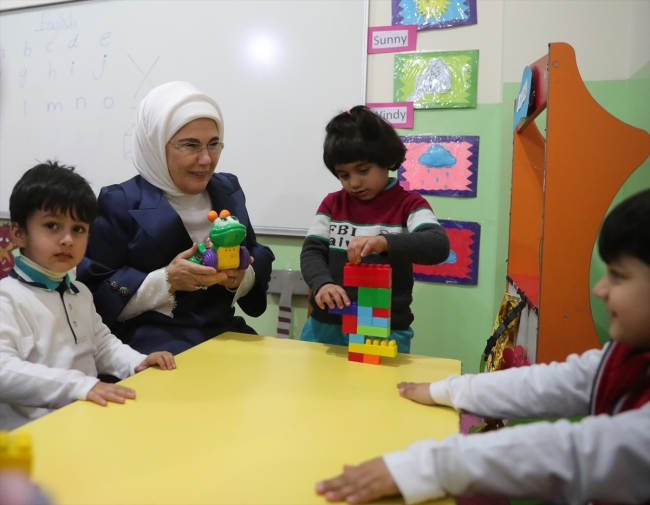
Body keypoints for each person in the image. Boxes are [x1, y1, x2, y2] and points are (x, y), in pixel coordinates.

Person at [315, 188, 650, 504]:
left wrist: (423, 467)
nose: (599, 290)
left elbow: (578, 451)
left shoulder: (408, 204)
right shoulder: (628, 353)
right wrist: (447, 389)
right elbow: (556, 382)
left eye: (618, 275)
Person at [76, 81, 274, 355]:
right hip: (150, 341)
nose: (206, 159)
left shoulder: (227, 189)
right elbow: (95, 296)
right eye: (190, 145)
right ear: (155, 146)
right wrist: (167, 280)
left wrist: (240, 277)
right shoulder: (121, 201)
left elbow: (255, 253)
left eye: (213, 144)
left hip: (222, 330)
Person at [0, 162, 176, 431]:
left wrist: (137, 362)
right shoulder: (7, 298)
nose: (67, 239)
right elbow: (3, 371)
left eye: (79, 229)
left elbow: (102, 345)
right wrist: (80, 386)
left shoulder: (79, 292)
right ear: (19, 233)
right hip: (32, 435)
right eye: (52, 225)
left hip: (84, 422)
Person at [300, 105, 450, 353]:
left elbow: (438, 244)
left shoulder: (409, 205)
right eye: (344, 175)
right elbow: (312, 252)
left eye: (363, 170)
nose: (354, 182)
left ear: (387, 160)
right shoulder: (332, 204)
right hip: (325, 326)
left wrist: (385, 242)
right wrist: (322, 283)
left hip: (385, 330)